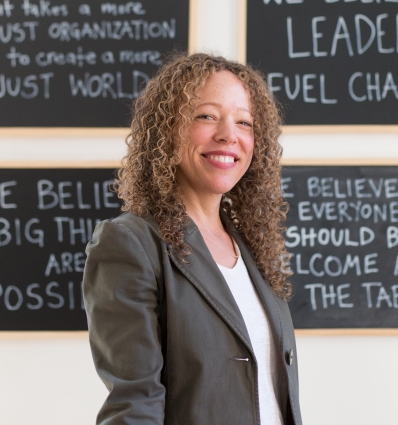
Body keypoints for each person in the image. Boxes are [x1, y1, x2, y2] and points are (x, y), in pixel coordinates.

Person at [83, 53, 302, 425]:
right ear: (167, 128)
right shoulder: (130, 243)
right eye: (206, 116)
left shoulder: (251, 246)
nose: (228, 135)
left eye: (244, 122)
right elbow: (135, 403)